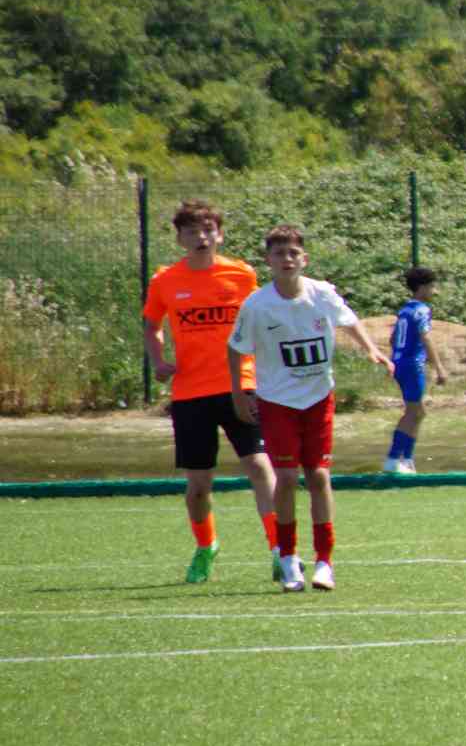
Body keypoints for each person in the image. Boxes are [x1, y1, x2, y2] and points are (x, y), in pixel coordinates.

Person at [227, 224, 394, 592]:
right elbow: (236, 348)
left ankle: (324, 562)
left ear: (304, 258)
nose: (286, 259)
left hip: (318, 399)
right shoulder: (257, 304)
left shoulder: (322, 294)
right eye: (279, 253)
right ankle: (289, 559)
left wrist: (372, 349)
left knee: (318, 476)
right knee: (286, 478)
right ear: (268, 260)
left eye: (293, 253)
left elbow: (349, 321)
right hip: (277, 401)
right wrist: (239, 393)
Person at [140, 199, 279, 584]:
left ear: (220, 235)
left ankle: (279, 550)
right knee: (198, 486)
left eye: (208, 230)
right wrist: (159, 361)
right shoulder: (165, 280)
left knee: (259, 465)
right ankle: (206, 546)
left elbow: (262, 319)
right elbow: (152, 325)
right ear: (180, 238)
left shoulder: (241, 274)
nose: (201, 237)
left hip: (240, 385)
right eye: (192, 232)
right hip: (190, 393)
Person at [383, 266, 451, 474]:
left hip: (400, 363)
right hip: (412, 365)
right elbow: (426, 337)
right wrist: (439, 367)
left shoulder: (405, 310)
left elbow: (393, 339)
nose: (434, 291)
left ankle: (407, 460)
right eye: (432, 287)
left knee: (419, 412)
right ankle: (393, 459)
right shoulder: (422, 310)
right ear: (421, 288)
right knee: (413, 412)